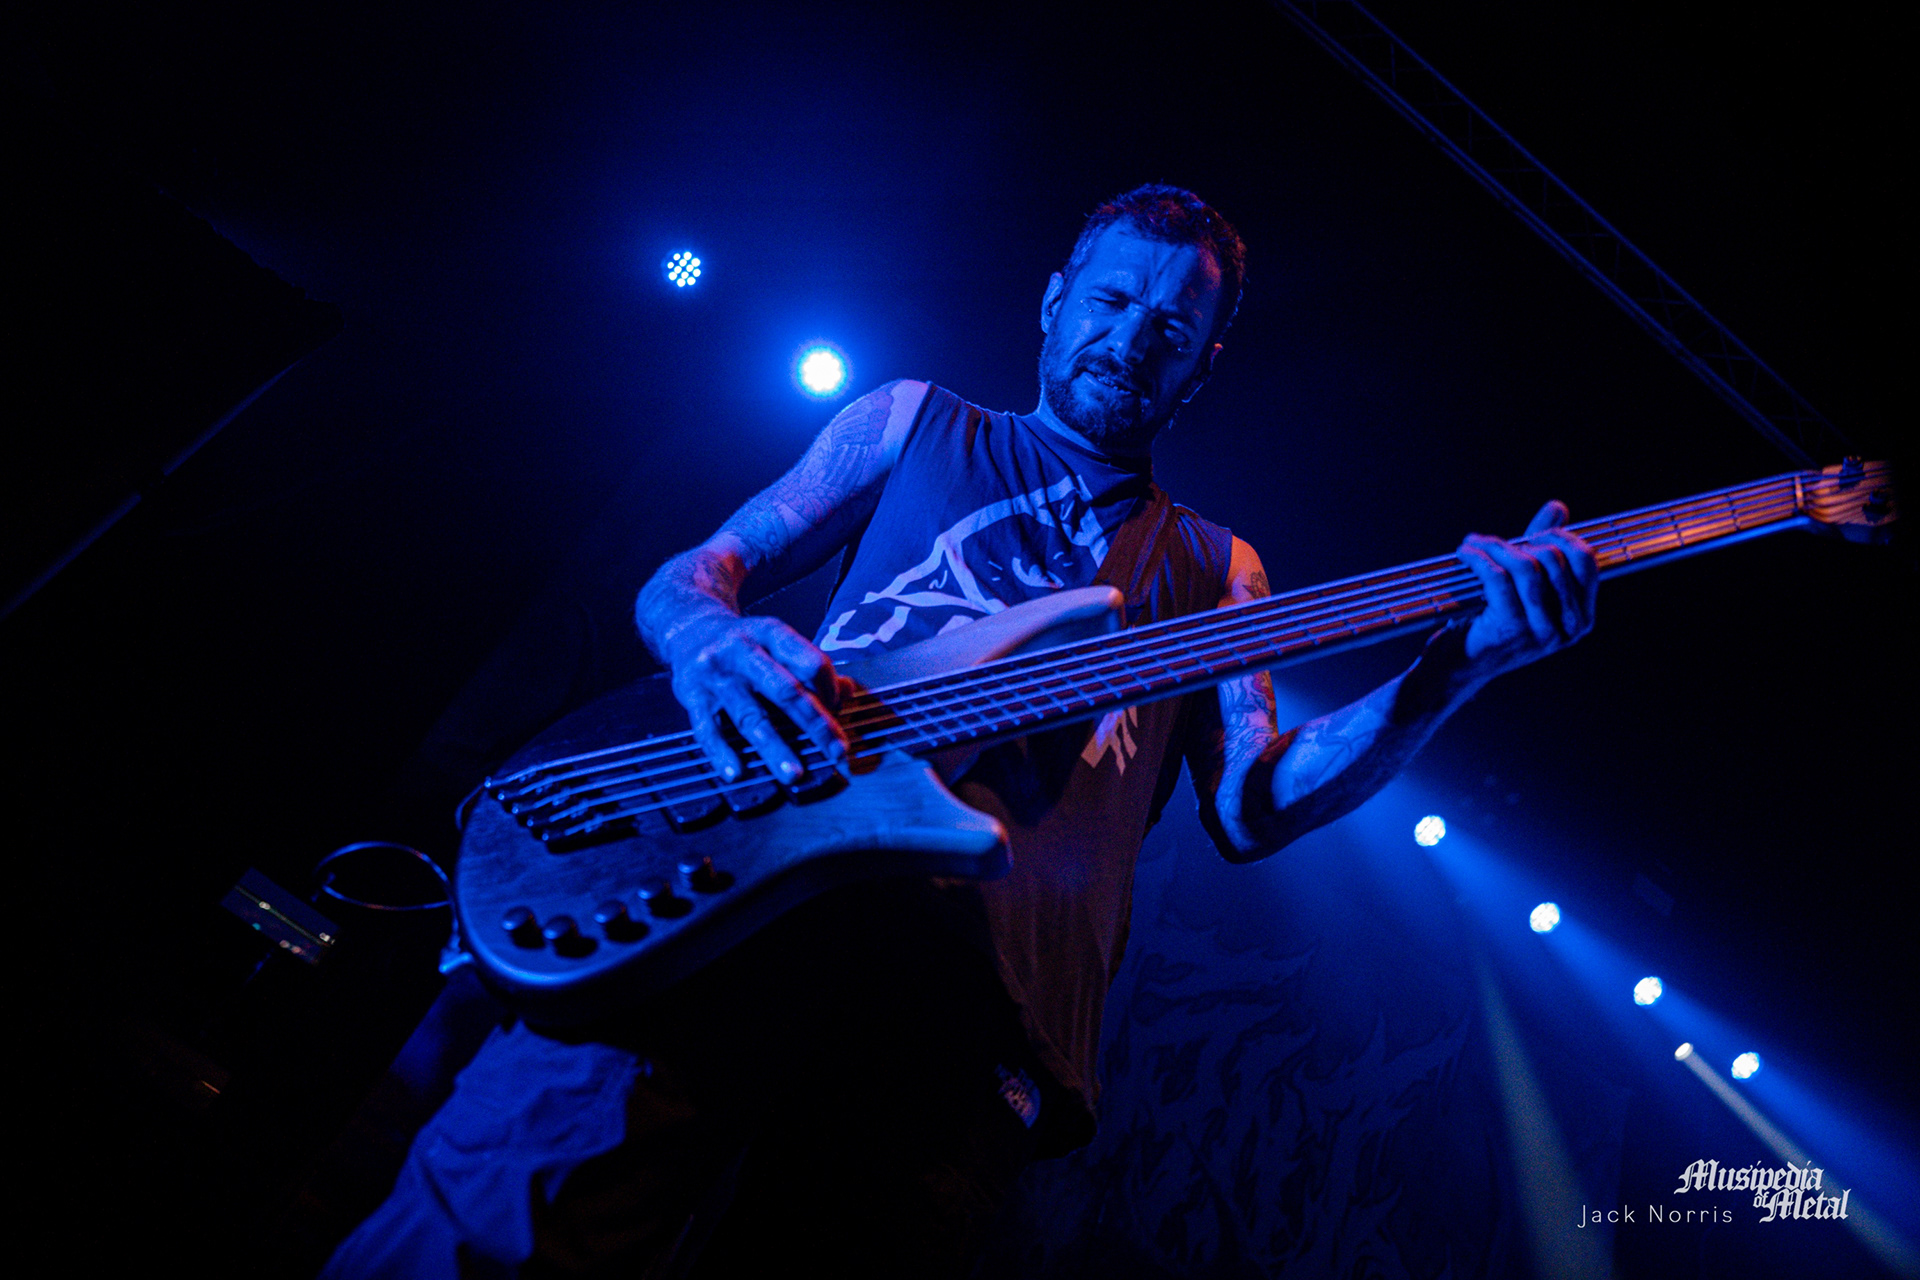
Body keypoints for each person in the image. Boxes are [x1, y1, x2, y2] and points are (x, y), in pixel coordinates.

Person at [324, 185, 1597, 1278]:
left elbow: (1254, 800)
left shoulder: (1221, 568)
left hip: (973, 1010)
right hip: (737, 902)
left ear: (1203, 363)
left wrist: (1453, 666)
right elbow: (691, 577)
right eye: (1112, 299)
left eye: (1172, 325)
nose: (1131, 336)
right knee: (496, 1221)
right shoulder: (911, 420)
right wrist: (711, 638)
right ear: (1054, 300)